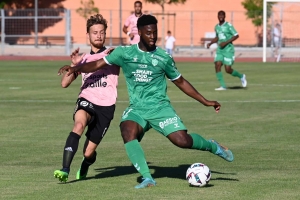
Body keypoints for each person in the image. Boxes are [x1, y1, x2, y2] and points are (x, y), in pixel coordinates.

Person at [58, 15, 234, 189]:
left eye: (155, 33)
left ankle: (212, 146)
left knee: (182, 141)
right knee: (127, 130)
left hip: (160, 108)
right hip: (137, 109)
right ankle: (147, 178)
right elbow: (95, 65)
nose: (152, 36)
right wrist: (75, 68)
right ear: (140, 32)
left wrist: (205, 101)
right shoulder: (124, 53)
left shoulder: (163, 57)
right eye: (148, 33)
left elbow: (180, 81)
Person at [53, 14, 120, 183]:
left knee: (88, 153)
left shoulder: (113, 54)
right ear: (88, 35)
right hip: (87, 99)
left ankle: (86, 163)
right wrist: (75, 66)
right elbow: (64, 83)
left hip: (106, 107)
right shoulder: (83, 58)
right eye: (95, 32)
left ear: (105, 34)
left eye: (102, 32)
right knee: (79, 124)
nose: (99, 35)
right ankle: (65, 169)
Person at [207, 10, 247, 91]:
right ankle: (223, 86)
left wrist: (226, 42)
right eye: (219, 15)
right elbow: (218, 37)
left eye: (222, 15)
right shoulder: (216, 27)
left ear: (224, 16)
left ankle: (241, 76)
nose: (221, 16)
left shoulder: (229, 25)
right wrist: (210, 43)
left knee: (228, 69)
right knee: (217, 64)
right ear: (217, 16)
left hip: (228, 49)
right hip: (220, 50)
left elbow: (236, 35)